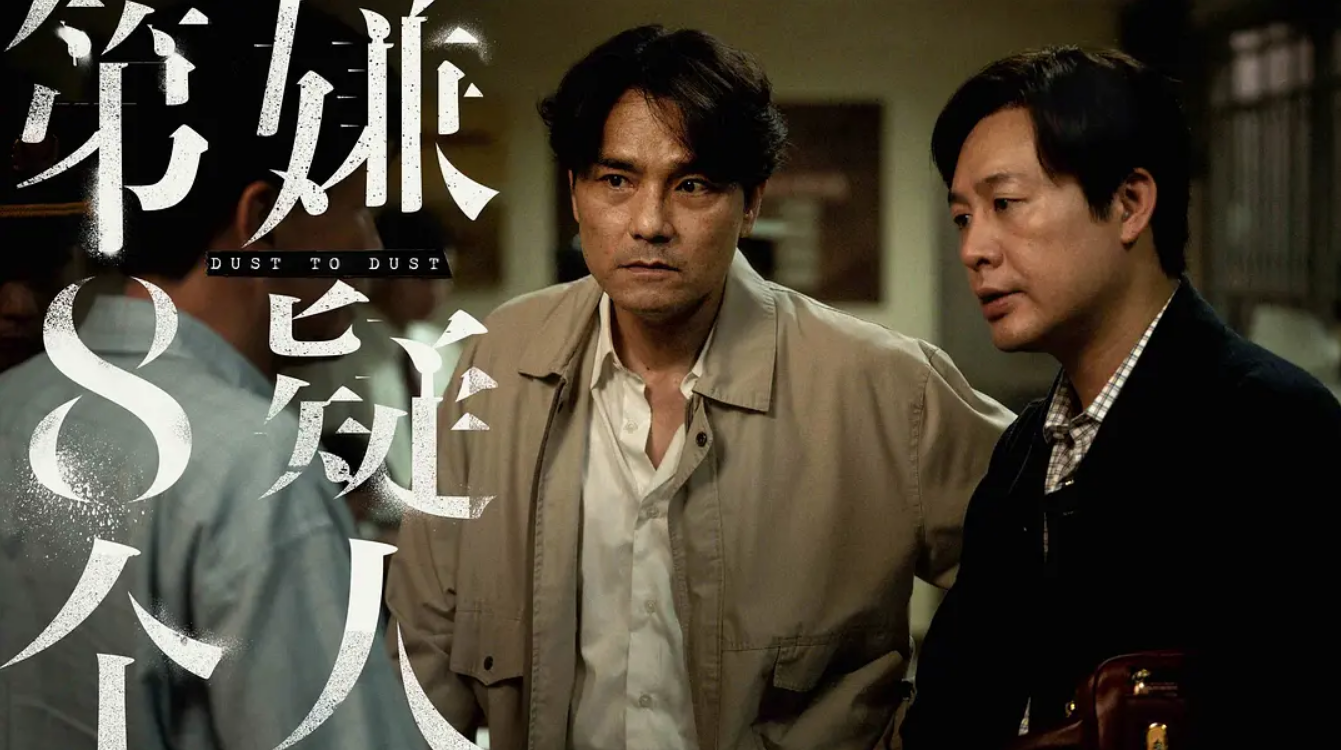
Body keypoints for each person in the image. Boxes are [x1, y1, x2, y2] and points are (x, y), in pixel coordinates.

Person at [386, 25, 1014, 750]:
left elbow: (1056, 576)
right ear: (575, 192)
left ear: (750, 204)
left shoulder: (882, 387)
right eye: (616, 181)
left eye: (692, 185)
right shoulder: (501, 361)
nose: (649, 223)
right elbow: (425, 643)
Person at [0, 2, 421, 748]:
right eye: (360, 209)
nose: (373, 249)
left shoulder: (14, 404)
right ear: (264, 221)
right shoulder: (253, 469)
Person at [900, 47, 1341, 749]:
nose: (974, 249)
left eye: (1005, 204)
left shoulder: (1270, 426)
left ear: (1130, 204)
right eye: (962, 218)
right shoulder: (1024, 449)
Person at [284, 208, 462, 540]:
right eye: (424, 279)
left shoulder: (443, 352)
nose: (437, 292)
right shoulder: (334, 357)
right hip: (368, 537)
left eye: (446, 277)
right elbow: (323, 465)